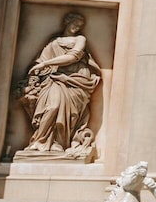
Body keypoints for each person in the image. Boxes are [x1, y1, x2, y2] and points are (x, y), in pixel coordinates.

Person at [20, 12, 100, 153]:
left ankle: (59, 143)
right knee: (52, 107)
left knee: (70, 113)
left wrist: (45, 64)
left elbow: (72, 57)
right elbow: (40, 61)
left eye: (80, 25)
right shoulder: (54, 42)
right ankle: (40, 141)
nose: (77, 27)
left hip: (76, 80)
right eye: (74, 23)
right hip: (54, 79)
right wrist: (39, 68)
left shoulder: (80, 39)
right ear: (66, 22)